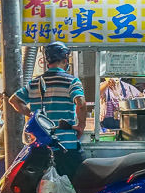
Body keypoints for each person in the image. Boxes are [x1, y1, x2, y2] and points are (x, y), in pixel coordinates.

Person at [9, 41, 88, 180]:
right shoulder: (72, 82)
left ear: (47, 62)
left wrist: (33, 115)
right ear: (65, 60)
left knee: (46, 191)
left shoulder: (34, 83)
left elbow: (14, 100)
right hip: (66, 145)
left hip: (40, 147)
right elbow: (80, 103)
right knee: (74, 185)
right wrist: (81, 125)